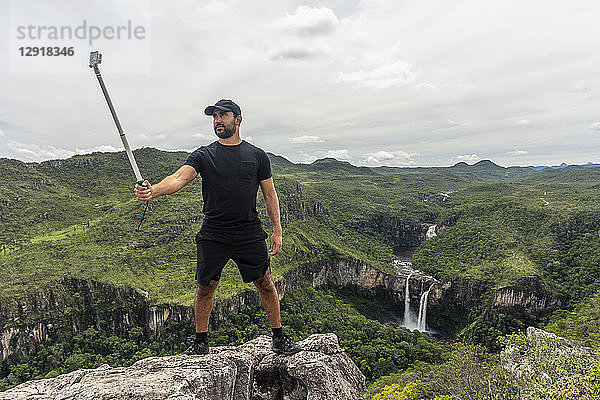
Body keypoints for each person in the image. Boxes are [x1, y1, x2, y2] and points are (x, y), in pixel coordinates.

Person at [134, 99, 301, 356]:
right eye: (214, 116)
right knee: (205, 287)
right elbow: (179, 178)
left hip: (248, 232)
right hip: (214, 232)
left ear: (238, 119)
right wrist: (152, 190)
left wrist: (277, 230)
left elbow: (269, 195)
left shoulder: (257, 156)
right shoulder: (204, 155)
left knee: (266, 282)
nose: (217, 120)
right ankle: (200, 343)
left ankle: (278, 338)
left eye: (223, 115)